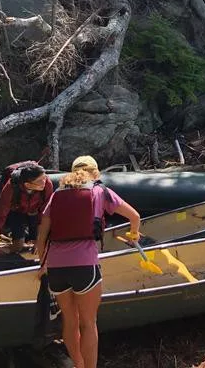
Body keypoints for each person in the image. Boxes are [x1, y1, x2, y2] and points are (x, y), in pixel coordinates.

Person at [35, 156, 141, 368]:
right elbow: (134, 216)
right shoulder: (101, 191)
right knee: (88, 323)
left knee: (70, 321)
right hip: (84, 266)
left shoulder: (56, 195)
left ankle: (78, 365)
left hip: (56, 267)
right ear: (95, 172)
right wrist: (134, 234)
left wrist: (43, 264)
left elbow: (41, 237)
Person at [0, 162, 53, 256]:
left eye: (44, 178)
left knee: (39, 242)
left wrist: (39, 240)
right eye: (39, 181)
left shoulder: (47, 184)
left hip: (35, 211)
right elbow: (0, 217)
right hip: (16, 211)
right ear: (27, 185)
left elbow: (45, 213)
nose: (44, 182)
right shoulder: (11, 188)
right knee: (18, 246)